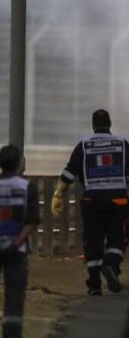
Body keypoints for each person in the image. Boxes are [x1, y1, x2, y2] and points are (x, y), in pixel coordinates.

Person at [53, 109, 129, 295]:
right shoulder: (122, 143)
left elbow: (69, 173)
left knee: (93, 241)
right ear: (110, 124)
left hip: (91, 201)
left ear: (93, 125)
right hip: (118, 200)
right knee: (117, 238)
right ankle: (110, 265)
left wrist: (58, 194)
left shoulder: (84, 145)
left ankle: (94, 285)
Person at [0, 145, 39, 338]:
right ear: (18, 163)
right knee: (14, 299)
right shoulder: (26, 187)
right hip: (17, 250)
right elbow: (32, 221)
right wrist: (16, 243)